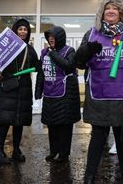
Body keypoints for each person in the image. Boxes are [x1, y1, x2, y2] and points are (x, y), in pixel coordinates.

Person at [76, 0, 123, 184]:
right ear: (102, 13)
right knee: (97, 138)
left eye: (115, 8)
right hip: (98, 95)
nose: (111, 11)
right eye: (107, 8)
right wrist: (87, 50)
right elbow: (78, 63)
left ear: (121, 14)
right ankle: (89, 176)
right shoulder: (92, 34)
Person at [0, 18, 39, 164]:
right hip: (8, 89)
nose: (23, 32)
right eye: (20, 29)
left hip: (23, 90)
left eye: (25, 29)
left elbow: (37, 65)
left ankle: (16, 151)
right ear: (15, 30)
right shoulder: (6, 47)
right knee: (5, 121)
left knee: (19, 122)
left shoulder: (30, 49)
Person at [35, 26, 81, 163]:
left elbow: (69, 66)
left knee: (64, 127)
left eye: (53, 37)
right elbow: (41, 72)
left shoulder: (69, 51)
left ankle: (63, 154)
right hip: (50, 95)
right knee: (51, 126)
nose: (50, 39)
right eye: (49, 37)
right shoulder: (44, 52)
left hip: (65, 96)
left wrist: (54, 54)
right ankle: (53, 151)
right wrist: (38, 90)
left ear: (60, 38)